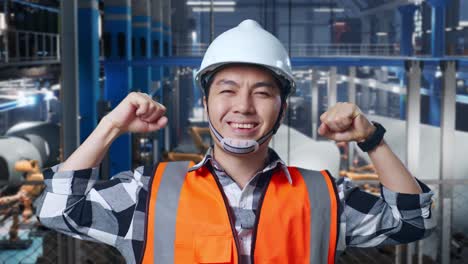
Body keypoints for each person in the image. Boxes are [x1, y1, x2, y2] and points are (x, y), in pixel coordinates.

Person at [34, 20, 435, 264]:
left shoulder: (324, 196)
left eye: (262, 92)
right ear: (205, 101)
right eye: (227, 90)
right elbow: (56, 210)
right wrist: (110, 126)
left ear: (282, 106)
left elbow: (413, 219)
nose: (243, 106)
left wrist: (372, 140)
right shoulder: (146, 194)